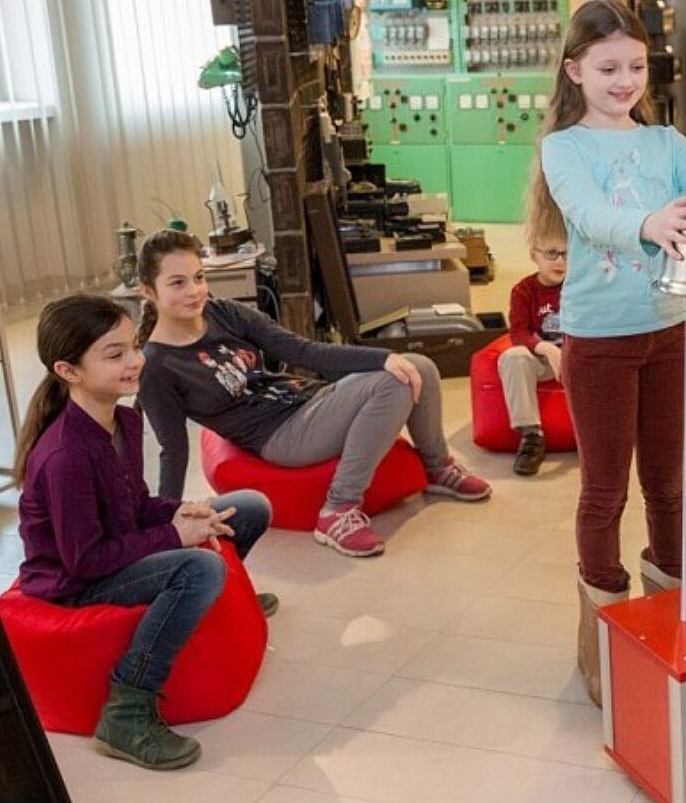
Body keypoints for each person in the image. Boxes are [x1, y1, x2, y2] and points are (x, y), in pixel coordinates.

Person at [530, 0, 686, 705]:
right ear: (575, 71)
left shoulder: (665, 143)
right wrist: (650, 222)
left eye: (637, 67)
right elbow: (593, 216)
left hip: (670, 332)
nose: (625, 81)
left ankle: (668, 617)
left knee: (670, 484)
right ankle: (603, 639)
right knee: (605, 490)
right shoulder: (563, 148)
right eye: (608, 68)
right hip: (598, 343)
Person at [15, 294, 275, 771]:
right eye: (115, 355)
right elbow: (85, 562)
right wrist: (175, 537)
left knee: (249, 507)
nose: (135, 361)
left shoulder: (125, 420)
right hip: (76, 583)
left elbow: (133, 504)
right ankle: (127, 711)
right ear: (69, 371)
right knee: (199, 569)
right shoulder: (65, 456)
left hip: (114, 553)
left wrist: (183, 511)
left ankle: (211, 604)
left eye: (134, 346)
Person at [136, 230, 489, 560]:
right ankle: (338, 510)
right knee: (393, 384)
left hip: (305, 400)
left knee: (418, 366)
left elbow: (303, 351)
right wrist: (168, 525)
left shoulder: (222, 312)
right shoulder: (157, 365)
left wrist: (383, 356)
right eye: (178, 283)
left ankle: (436, 467)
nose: (194, 291)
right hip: (279, 436)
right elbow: (173, 449)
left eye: (199, 277)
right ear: (148, 292)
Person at [500, 232, 568, 476]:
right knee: (513, 357)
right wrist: (547, 349)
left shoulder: (579, 287)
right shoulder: (523, 290)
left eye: (566, 254)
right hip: (542, 359)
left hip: (577, 357)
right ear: (534, 255)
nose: (559, 261)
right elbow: (518, 333)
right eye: (551, 253)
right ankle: (531, 436)